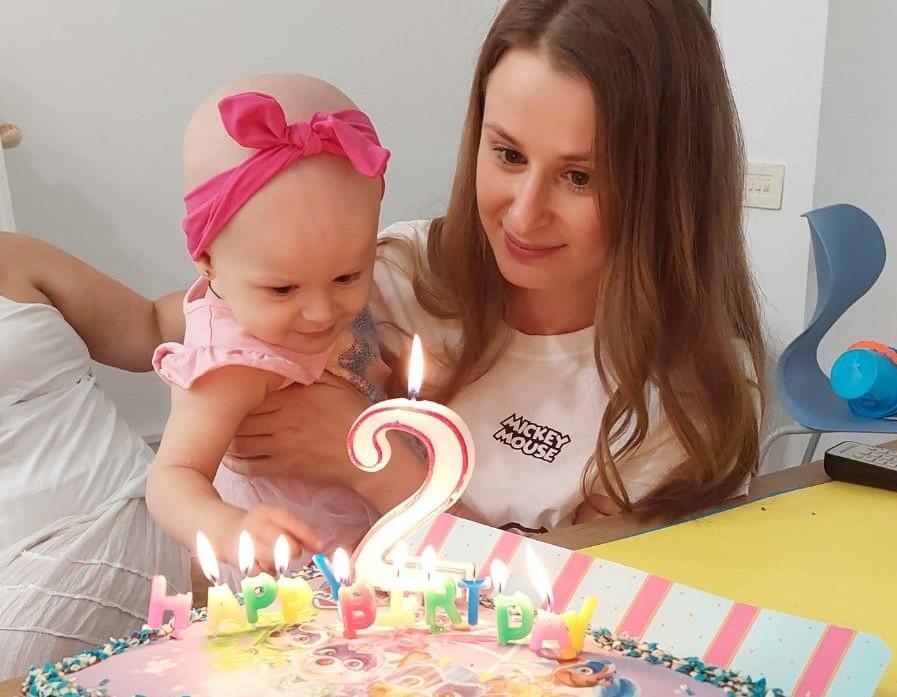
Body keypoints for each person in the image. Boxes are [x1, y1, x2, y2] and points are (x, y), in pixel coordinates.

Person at [221, 0, 766, 534]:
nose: (525, 216)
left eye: (579, 177)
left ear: (667, 188)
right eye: (509, 155)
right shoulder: (384, 281)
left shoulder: (685, 401)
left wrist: (376, 466)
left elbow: (583, 606)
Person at [146, 74, 393, 576]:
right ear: (208, 260)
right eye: (283, 290)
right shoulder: (232, 362)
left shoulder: (311, 288)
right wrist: (226, 527)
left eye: (348, 276)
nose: (322, 311)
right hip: (295, 571)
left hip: (368, 543)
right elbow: (170, 478)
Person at [0, 232, 189, 679]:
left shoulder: (11, 254)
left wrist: (255, 282)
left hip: (108, 517)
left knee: (20, 652)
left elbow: (151, 329)